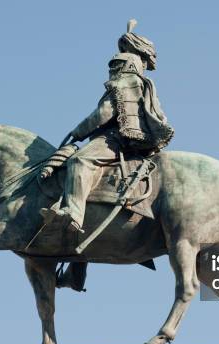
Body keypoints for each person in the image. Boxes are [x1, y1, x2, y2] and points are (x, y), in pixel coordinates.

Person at [42, 19, 174, 233]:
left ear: (127, 63)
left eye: (116, 64)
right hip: (122, 137)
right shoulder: (138, 82)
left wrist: (78, 132)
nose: (112, 69)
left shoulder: (125, 82)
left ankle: (73, 213)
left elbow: (104, 113)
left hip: (114, 138)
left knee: (79, 160)